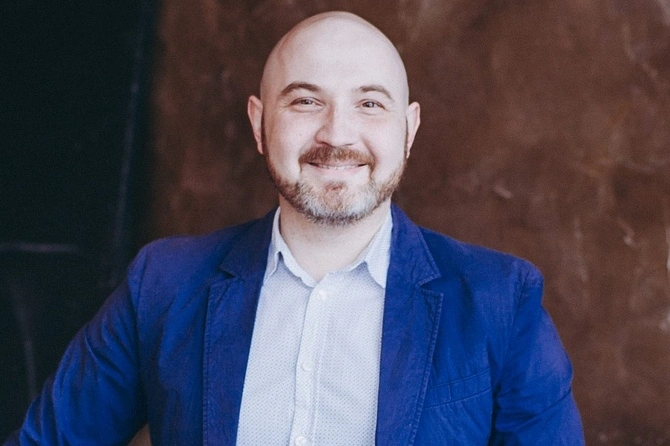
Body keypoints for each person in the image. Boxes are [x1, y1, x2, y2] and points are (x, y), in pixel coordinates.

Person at [6, 11, 584, 445]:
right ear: (260, 124)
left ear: (408, 130)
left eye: (370, 104)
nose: (338, 134)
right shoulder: (162, 283)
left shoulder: (502, 302)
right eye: (306, 101)